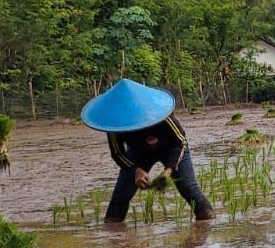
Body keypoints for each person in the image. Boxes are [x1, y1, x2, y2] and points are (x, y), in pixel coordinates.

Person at [81, 79, 215, 222]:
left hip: (170, 149)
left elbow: (180, 142)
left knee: (188, 187)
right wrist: (136, 170)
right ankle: (113, 231)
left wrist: (168, 170)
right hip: (139, 153)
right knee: (121, 195)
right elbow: (117, 153)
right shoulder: (116, 125)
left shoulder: (163, 116)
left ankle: (207, 221)